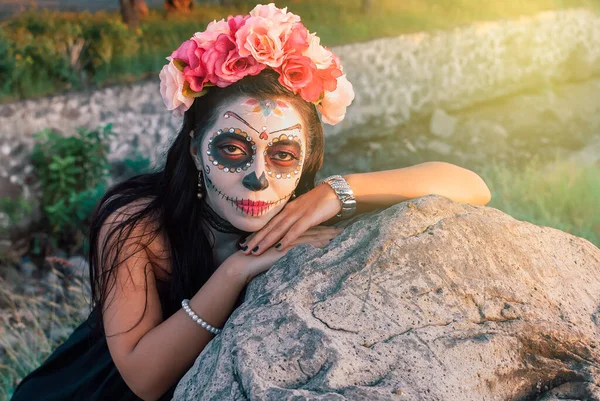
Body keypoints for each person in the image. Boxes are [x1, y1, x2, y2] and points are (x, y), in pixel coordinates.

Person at [10, 4, 491, 401]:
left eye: (283, 155)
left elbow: (471, 186)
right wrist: (237, 270)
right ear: (197, 147)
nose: (259, 178)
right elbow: (144, 377)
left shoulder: (307, 208)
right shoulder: (136, 224)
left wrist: (335, 193)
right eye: (233, 150)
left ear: (306, 162)